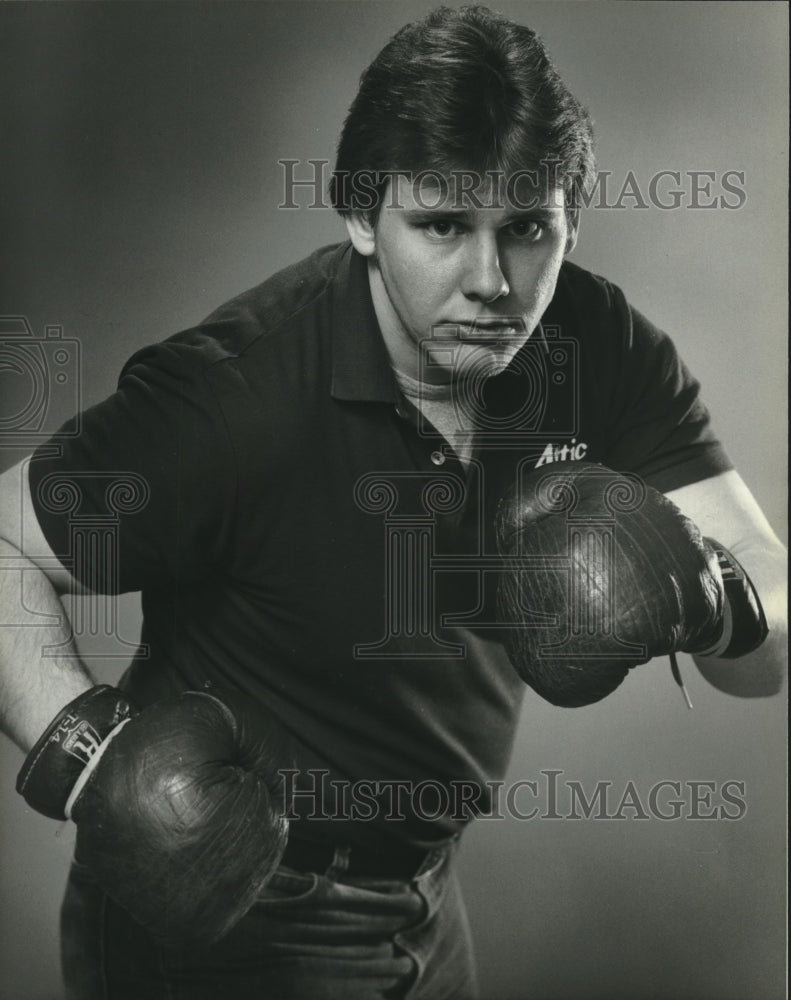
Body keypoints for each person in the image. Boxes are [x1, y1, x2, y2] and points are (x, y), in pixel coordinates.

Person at [0, 5, 785, 999]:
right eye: (443, 226)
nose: (491, 282)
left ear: (569, 224)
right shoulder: (235, 391)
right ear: (361, 215)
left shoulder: (597, 345)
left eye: (526, 230)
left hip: (422, 902)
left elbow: (772, 629)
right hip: (225, 921)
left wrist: (709, 598)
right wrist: (90, 755)